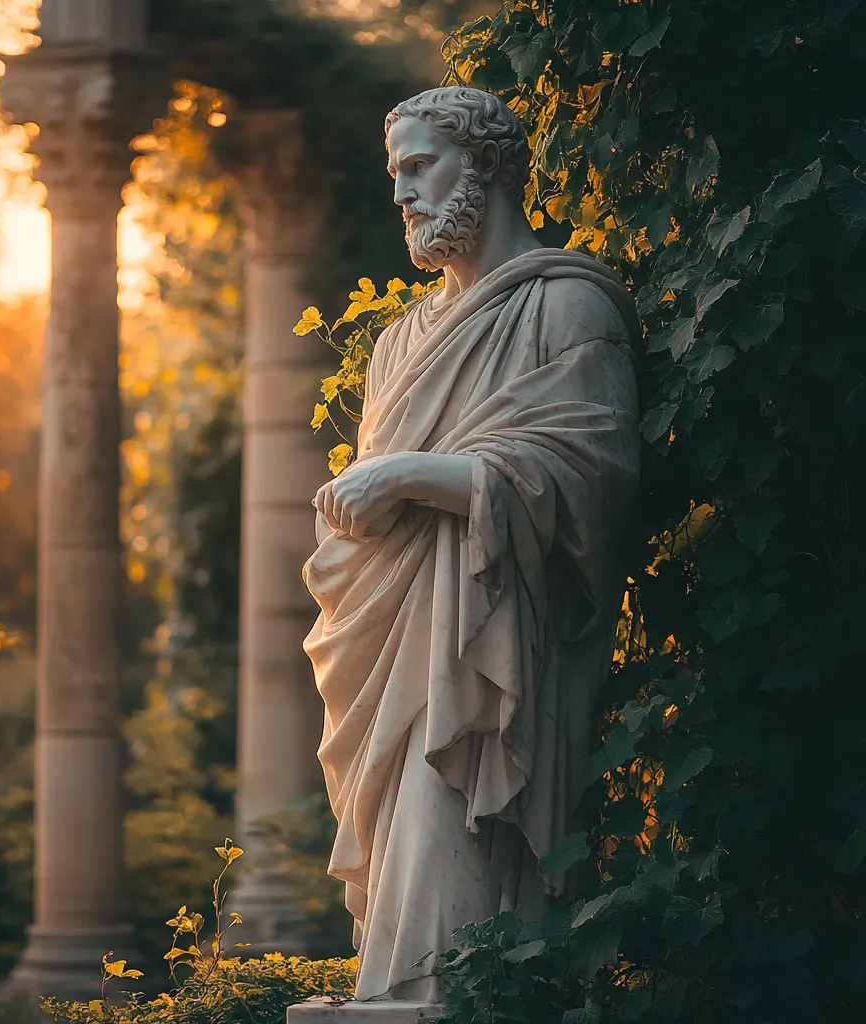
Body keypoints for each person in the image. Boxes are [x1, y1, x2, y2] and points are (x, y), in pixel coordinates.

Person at [302, 86, 641, 1002]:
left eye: (420, 167)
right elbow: (384, 504)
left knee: (454, 872)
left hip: (498, 648)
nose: (403, 195)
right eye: (396, 175)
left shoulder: (566, 307)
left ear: (485, 166)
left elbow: (588, 481)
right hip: (398, 637)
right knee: (403, 861)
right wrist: (366, 503)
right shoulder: (399, 341)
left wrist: (408, 476)